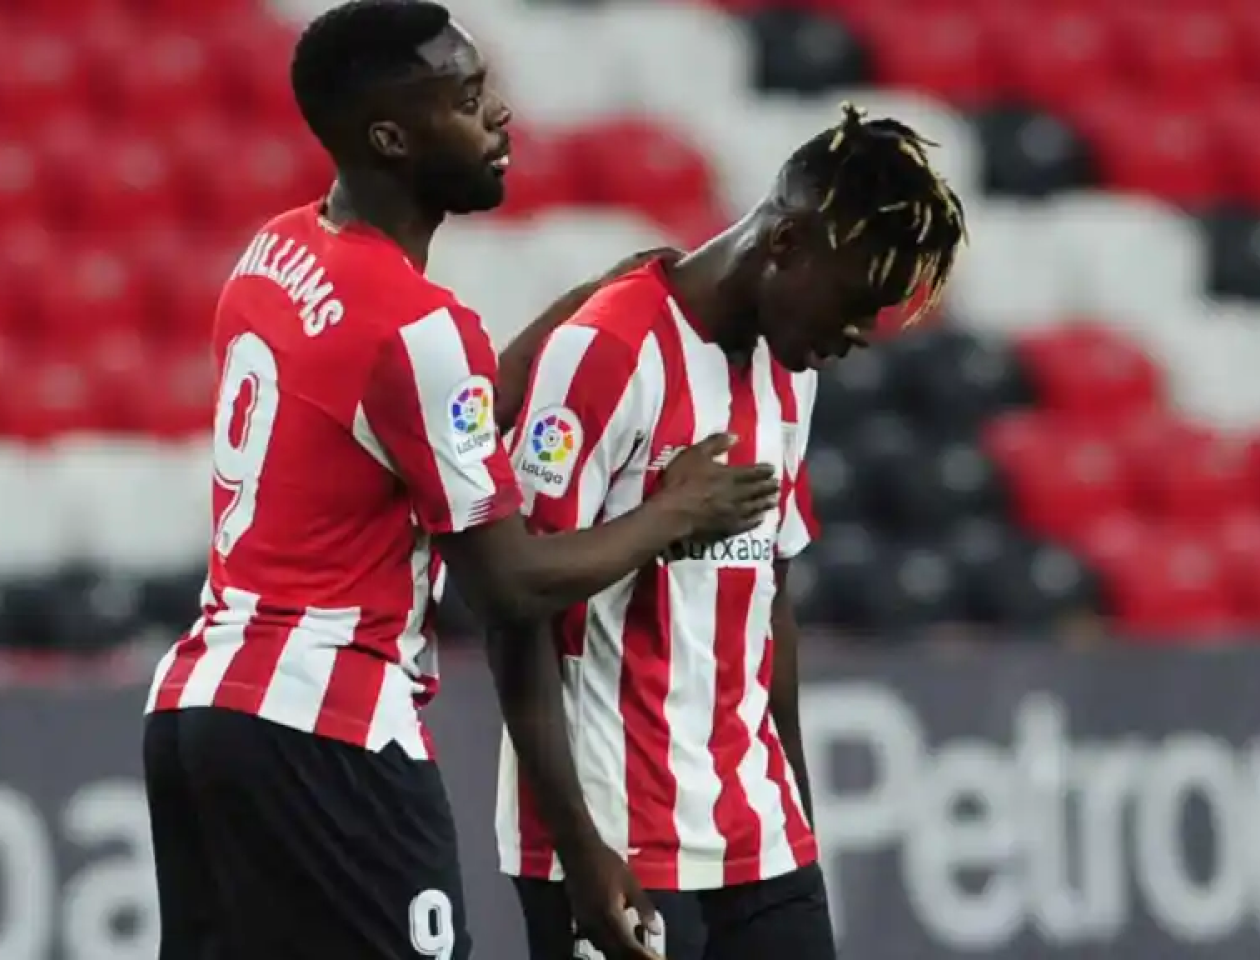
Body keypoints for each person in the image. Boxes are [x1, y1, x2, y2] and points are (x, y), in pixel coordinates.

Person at [139, 2, 783, 959]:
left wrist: (574, 315)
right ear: (391, 136)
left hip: (199, 709)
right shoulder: (415, 324)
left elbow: (426, 418)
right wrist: (673, 513)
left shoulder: (274, 251)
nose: (502, 118)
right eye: (468, 98)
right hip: (329, 725)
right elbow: (506, 581)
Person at [495, 102, 968, 960]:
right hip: (615, 833)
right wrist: (574, 848)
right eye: (858, 301)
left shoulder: (793, 370)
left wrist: (799, 822)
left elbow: (767, 603)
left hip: (759, 832)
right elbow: (512, 596)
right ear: (786, 244)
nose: (861, 335)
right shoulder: (608, 347)